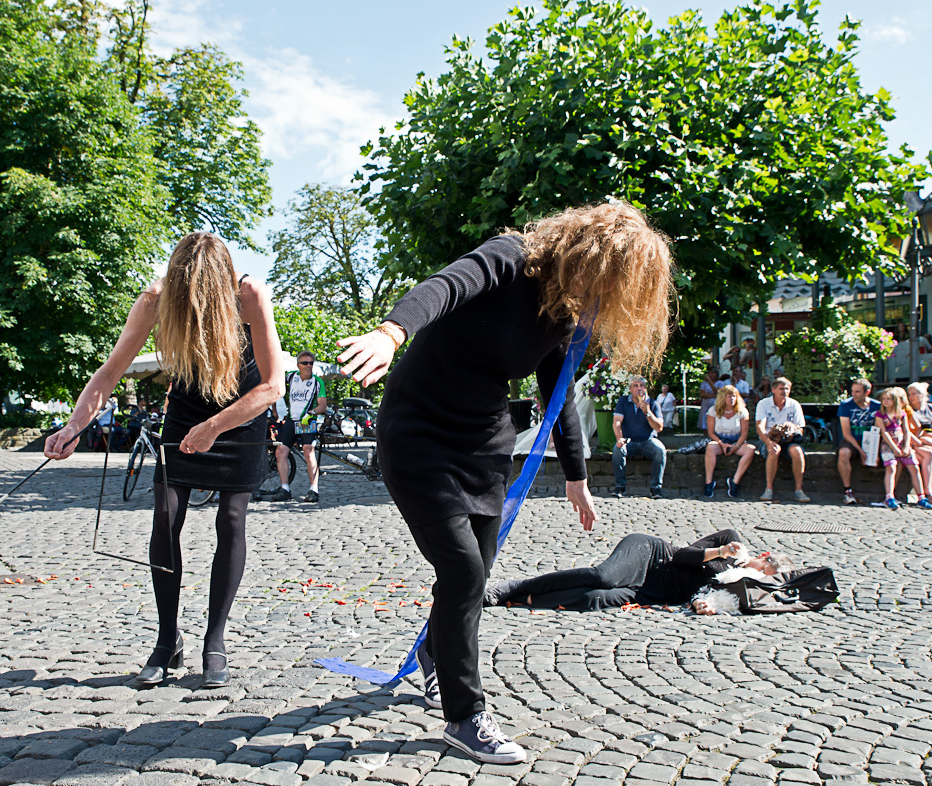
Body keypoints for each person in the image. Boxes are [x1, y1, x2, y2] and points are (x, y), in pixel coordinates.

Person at [336, 202, 673, 764]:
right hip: (419, 433)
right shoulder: (511, 257)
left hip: (483, 447)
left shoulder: (563, 314)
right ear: (591, 258)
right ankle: (465, 717)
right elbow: (444, 286)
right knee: (463, 570)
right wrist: (392, 332)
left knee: (475, 573)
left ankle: (437, 655)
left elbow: (558, 395)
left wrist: (576, 477)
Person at [44, 232, 284, 689]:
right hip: (186, 412)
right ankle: (166, 638)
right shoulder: (155, 300)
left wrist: (216, 427)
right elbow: (111, 371)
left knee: (232, 519)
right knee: (165, 516)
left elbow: (273, 386)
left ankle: (215, 640)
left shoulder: (249, 295)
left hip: (241, 413)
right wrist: (73, 426)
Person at [483, 528, 792, 612]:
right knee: (603, 577)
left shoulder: (742, 587)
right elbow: (682, 556)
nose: (758, 576)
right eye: (763, 569)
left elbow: (704, 597)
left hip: (652, 593)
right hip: (651, 556)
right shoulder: (732, 542)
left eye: (764, 578)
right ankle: (514, 586)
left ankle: (518, 600)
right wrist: (722, 553)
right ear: (763, 556)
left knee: (593, 599)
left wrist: (705, 604)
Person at [270, 350, 328, 503]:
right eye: (305, 363)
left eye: (311, 363)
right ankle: (285, 489)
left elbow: (322, 406)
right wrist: (275, 410)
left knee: (308, 451)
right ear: (298, 365)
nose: (308, 366)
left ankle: (314, 490)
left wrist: (311, 413)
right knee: (280, 452)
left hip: (306, 422)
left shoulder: (317, 382)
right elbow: (275, 389)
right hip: (291, 421)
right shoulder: (290, 377)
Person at [875, 387, 932, 510]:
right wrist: (894, 448)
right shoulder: (880, 415)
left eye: (888, 399)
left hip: (902, 443)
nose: (885, 401)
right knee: (891, 467)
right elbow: (883, 432)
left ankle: (921, 497)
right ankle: (889, 496)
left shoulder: (901, 414)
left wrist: (906, 446)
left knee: (914, 468)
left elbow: (906, 430)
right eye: (883, 399)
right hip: (888, 445)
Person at [611, 376, 667, 498]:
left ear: (646, 388)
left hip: (648, 440)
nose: (639, 388)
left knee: (660, 450)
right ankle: (620, 486)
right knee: (617, 449)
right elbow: (617, 421)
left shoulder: (653, 403)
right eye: (635, 386)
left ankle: (656, 488)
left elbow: (659, 428)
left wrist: (648, 413)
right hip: (629, 440)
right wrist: (619, 438)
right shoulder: (623, 401)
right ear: (630, 389)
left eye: (642, 386)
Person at [755, 377, 809, 502]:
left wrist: (791, 427)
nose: (784, 391)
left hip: (788, 439)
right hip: (769, 437)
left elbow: (800, 428)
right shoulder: (764, 404)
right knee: (774, 450)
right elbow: (759, 427)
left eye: (787, 389)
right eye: (781, 388)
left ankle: (799, 490)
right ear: (773, 390)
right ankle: (769, 489)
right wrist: (769, 442)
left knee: (798, 451)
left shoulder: (794, 404)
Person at [703, 385, 757, 498]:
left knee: (751, 449)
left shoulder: (742, 412)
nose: (732, 399)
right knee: (710, 447)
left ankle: (735, 482)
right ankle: (708, 482)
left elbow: (744, 433)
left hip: (737, 442)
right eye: (729, 396)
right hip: (719, 442)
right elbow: (711, 433)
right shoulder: (713, 411)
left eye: (734, 396)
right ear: (722, 397)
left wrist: (736, 446)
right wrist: (722, 444)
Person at [836, 378, 880, 505]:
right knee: (843, 453)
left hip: (872, 439)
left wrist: (874, 451)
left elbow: (878, 429)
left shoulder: (877, 406)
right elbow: (846, 433)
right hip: (852, 439)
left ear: (867, 392)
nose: (854, 394)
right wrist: (861, 451)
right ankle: (847, 490)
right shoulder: (846, 405)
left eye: (857, 392)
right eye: (852, 391)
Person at [697, 366, 725, 431]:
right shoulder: (704, 383)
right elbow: (702, 394)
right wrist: (713, 395)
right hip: (705, 406)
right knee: (705, 423)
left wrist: (709, 381)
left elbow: (718, 392)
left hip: (716, 405)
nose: (711, 375)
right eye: (710, 373)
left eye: (713, 373)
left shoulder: (721, 383)